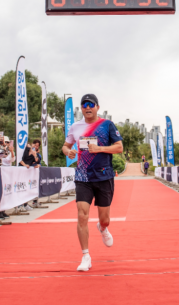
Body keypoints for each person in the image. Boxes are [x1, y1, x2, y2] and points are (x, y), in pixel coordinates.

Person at [62, 94, 123, 272]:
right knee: (82, 215)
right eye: (84, 105)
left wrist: (100, 149)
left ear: (97, 107)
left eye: (91, 105)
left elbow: (119, 147)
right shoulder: (75, 127)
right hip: (83, 177)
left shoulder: (107, 125)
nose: (87, 108)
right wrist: (68, 152)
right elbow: (65, 145)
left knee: (105, 219)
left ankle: (102, 228)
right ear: (81, 108)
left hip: (104, 176)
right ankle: (86, 256)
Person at [20, 139, 42, 209]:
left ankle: (25, 204)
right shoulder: (25, 149)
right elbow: (19, 159)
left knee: (26, 188)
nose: (35, 146)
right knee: (19, 188)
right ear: (32, 144)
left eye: (37, 146)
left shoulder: (35, 154)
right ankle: (19, 205)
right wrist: (25, 165)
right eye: (34, 145)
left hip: (27, 172)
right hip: (19, 170)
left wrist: (35, 155)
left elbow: (38, 162)